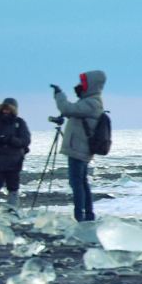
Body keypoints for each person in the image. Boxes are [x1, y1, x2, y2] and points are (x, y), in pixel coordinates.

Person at [51, 70, 107, 223]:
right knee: (81, 182)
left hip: (79, 149)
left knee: (77, 183)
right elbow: (73, 113)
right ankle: (87, 215)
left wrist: (59, 94)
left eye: (83, 83)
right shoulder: (90, 101)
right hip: (80, 148)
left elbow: (67, 109)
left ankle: (80, 216)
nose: (80, 86)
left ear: (91, 85)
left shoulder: (92, 102)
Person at [0, 97, 31, 212]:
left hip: (14, 161)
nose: (6, 111)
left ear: (13, 110)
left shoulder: (19, 123)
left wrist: (11, 140)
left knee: (13, 186)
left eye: (8, 109)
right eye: (4, 109)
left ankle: (12, 210)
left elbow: (26, 140)